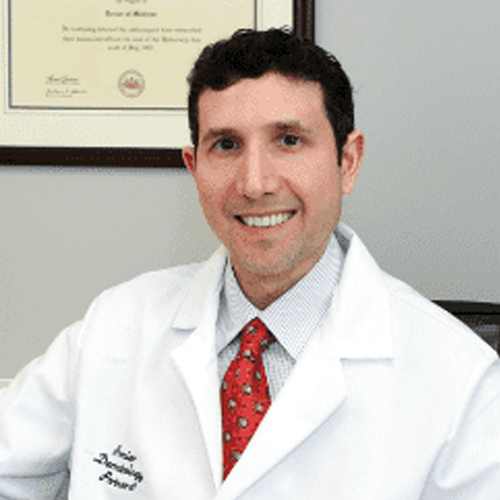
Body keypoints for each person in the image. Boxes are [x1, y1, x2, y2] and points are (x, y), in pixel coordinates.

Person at [1, 28, 499, 499]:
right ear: (194, 167)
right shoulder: (114, 328)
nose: (255, 183)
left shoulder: (459, 377)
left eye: (289, 140)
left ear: (347, 162)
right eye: (226, 145)